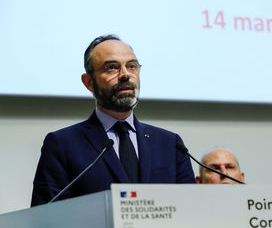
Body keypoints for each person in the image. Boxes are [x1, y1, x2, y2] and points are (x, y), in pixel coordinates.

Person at [31, 34, 195, 206]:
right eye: (111, 68)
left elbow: (191, 210)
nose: (125, 74)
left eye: (132, 66)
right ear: (89, 82)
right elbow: (45, 218)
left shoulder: (170, 144)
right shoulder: (62, 145)